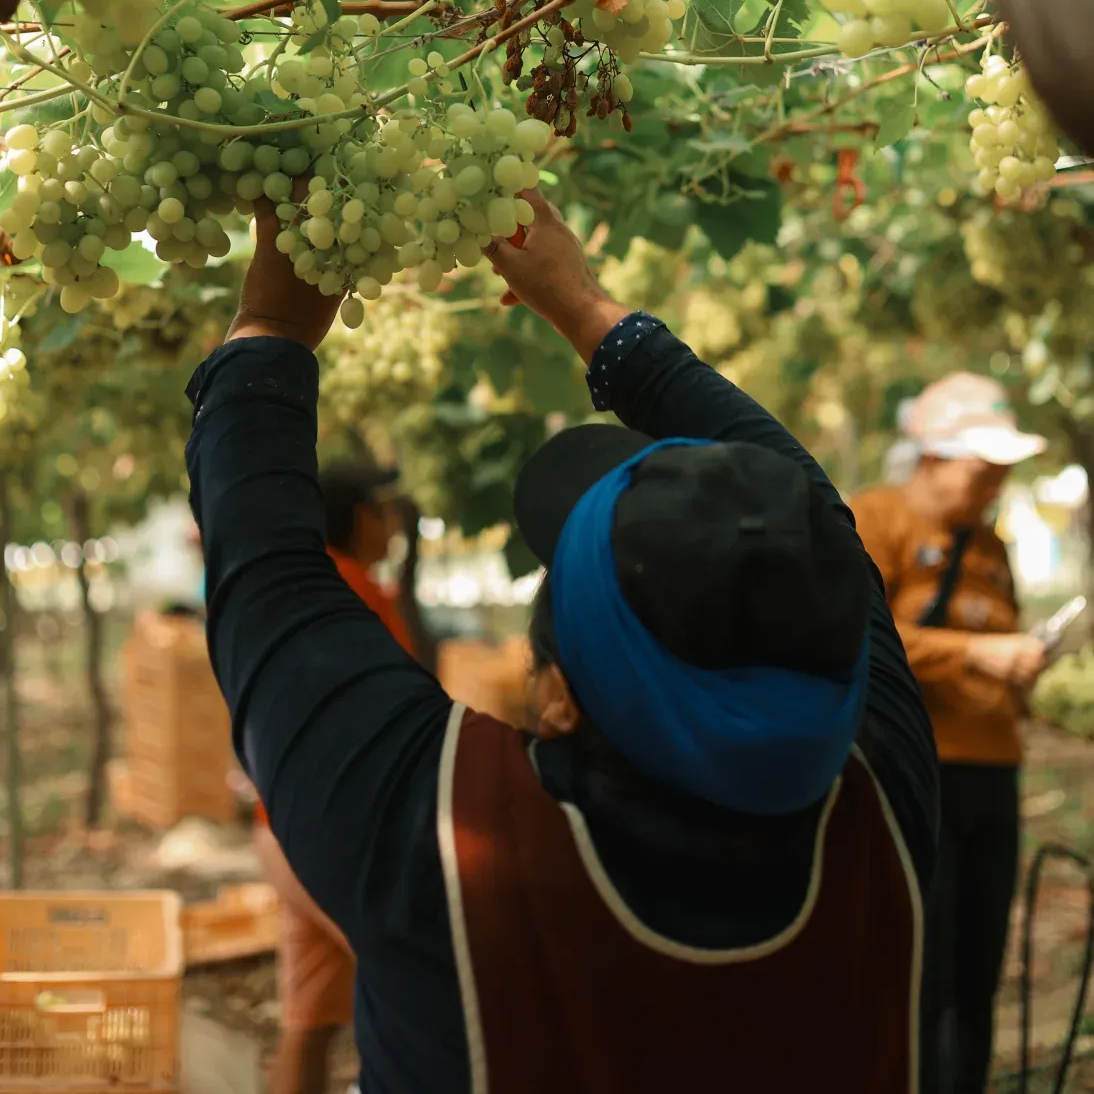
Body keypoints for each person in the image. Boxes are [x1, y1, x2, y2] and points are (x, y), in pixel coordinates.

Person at [186, 188, 938, 1094]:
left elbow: (262, 573)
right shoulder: (882, 809)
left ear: (557, 697)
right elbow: (265, 575)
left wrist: (273, 315)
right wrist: (588, 312)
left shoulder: (445, 838)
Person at [852, 374, 1049, 1094]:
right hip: (913, 771)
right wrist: (976, 654)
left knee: (977, 967)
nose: (993, 484)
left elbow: (999, 634)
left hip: (994, 772)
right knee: (920, 970)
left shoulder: (991, 543)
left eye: (1002, 471)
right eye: (981, 468)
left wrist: (1023, 668)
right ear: (931, 456)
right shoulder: (873, 520)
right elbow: (857, 632)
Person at [252, 463, 414, 1094]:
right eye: (382, 510)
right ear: (356, 518)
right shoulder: (356, 595)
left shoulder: (302, 587)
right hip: (335, 837)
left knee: (310, 1019)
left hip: (286, 829)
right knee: (413, 984)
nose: (392, 524)